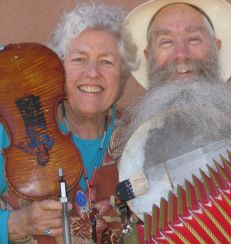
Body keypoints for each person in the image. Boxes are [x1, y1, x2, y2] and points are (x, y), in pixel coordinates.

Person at [0, 3, 137, 243]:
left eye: (106, 61)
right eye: (79, 59)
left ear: (122, 74)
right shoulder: (15, 131)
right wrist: (14, 224)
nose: (92, 73)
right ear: (58, 70)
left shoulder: (138, 135)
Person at [118, 0, 231, 219]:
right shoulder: (128, 149)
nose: (181, 54)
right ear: (149, 56)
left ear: (217, 47)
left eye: (194, 38)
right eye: (166, 42)